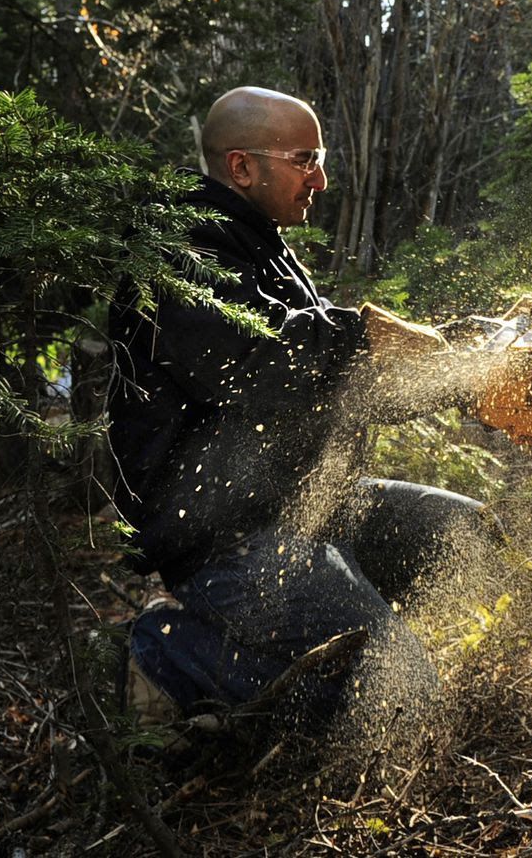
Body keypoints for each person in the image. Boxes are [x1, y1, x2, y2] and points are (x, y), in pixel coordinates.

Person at [106, 86, 491, 727]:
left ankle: (349, 639)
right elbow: (255, 365)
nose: (321, 178)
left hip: (310, 508)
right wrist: (362, 332)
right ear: (241, 167)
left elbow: (327, 388)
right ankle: (167, 658)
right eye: (305, 158)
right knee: (401, 702)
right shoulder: (178, 251)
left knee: (468, 536)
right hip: (227, 539)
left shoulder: (260, 244)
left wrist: (468, 385)